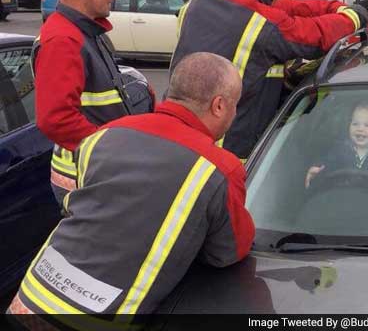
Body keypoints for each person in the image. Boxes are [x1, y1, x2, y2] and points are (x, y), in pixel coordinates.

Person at [7, 53, 254, 325]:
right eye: (235, 105)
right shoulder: (217, 168)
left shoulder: (105, 134)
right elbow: (225, 252)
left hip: (28, 300)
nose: (235, 113)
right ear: (219, 106)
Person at [170, 0, 368, 161]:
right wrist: (359, 14)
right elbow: (317, 36)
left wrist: (335, 7)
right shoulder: (262, 25)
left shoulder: (198, 1)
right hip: (225, 152)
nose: (278, 0)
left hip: (177, 138)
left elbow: (283, 9)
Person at [32, 0, 154, 207]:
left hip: (98, 171)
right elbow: (55, 119)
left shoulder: (84, 32)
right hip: (86, 178)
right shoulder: (63, 41)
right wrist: (112, 150)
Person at [305, 100, 368, 192]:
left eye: (367, 125)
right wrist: (317, 168)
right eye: (355, 124)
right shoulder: (339, 149)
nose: (360, 129)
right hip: (342, 198)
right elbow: (326, 162)